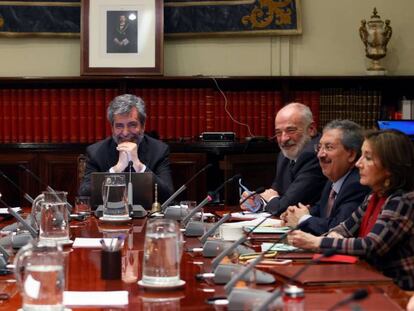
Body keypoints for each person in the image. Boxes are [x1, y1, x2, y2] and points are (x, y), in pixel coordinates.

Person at [287, 130, 414, 290]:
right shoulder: (373, 197)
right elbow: (344, 228)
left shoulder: (403, 201)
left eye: (367, 158)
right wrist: (332, 236)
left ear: (389, 167)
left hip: (399, 291)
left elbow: (371, 246)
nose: (358, 164)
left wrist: (317, 242)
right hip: (369, 281)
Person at [79, 94, 174, 203]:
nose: (125, 133)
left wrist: (139, 166)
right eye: (119, 126)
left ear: (143, 126)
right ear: (112, 128)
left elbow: (168, 197)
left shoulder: (159, 151)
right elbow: (84, 195)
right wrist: (116, 170)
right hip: (108, 216)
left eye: (132, 125)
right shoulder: (95, 152)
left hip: (147, 216)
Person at [280, 120, 370, 235]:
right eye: (319, 147)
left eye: (329, 147)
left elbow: (337, 228)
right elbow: (321, 209)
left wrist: (302, 219)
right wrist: (295, 214)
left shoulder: (357, 184)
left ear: (351, 154)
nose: (320, 154)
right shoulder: (333, 179)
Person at [240, 103, 326, 215]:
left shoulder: (315, 154)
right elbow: (276, 194)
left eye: (291, 130)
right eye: (278, 133)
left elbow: (283, 207)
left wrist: (271, 199)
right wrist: (258, 202)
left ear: (311, 129)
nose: (284, 139)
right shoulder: (285, 154)